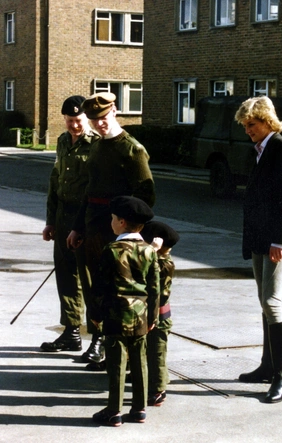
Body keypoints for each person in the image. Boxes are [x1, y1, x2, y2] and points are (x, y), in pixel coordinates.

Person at [66, 92, 156, 366]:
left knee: (116, 290)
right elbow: (88, 190)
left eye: (103, 118)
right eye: (93, 120)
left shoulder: (133, 149)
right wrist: (77, 227)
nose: (99, 124)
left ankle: (115, 347)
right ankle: (98, 338)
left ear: (114, 112)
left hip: (118, 231)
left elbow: (146, 197)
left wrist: (129, 232)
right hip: (93, 227)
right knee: (94, 286)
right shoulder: (95, 146)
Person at [234, 96, 282, 403]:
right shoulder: (261, 149)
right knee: (264, 303)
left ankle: (281, 377)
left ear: (267, 121)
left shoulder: (281, 147)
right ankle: (267, 366)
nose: (248, 130)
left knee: (272, 302)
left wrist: (280, 239)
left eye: (251, 124)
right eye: (245, 126)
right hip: (259, 239)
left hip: (277, 240)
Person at [90, 195, 160, 427]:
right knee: (140, 361)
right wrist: (153, 317)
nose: (110, 221)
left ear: (121, 222)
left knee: (116, 362)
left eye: (112, 218)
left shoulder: (112, 249)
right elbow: (154, 288)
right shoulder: (150, 251)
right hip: (140, 315)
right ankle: (139, 409)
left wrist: (96, 314)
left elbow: (100, 286)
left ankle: (113, 410)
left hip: (115, 315)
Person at [40, 95, 100, 355]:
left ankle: (98, 336)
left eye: (78, 120)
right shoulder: (63, 141)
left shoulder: (97, 144)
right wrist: (50, 221)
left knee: (89, 279)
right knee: (65, 276)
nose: (74, 125)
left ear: (86, 119)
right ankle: (71, 332)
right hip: (64, 215)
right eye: (69, 120)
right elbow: (55, 182)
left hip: (85, 217)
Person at [141, 220, 180, 406]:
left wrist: (150, 251)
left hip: (158, 317)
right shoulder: (159, 260)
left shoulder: (163, 265)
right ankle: (150, 380)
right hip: (152, 315)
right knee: (149, 351)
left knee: (157, 354)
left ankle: (158, 389)